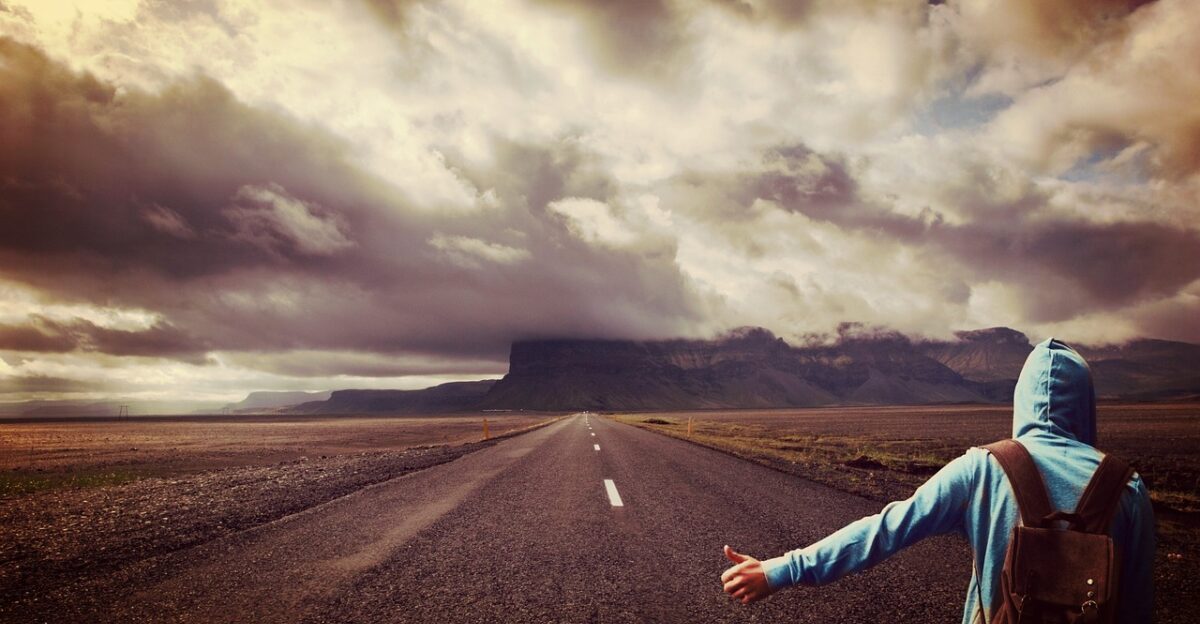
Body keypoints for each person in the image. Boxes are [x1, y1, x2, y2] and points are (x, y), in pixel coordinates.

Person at [720, 338, 1155, 623]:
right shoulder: (1128, 488)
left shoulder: (983, 468)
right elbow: (1136, 608)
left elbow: (885, 530)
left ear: (1021, 400)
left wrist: (783, 569)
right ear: (1087, 403)